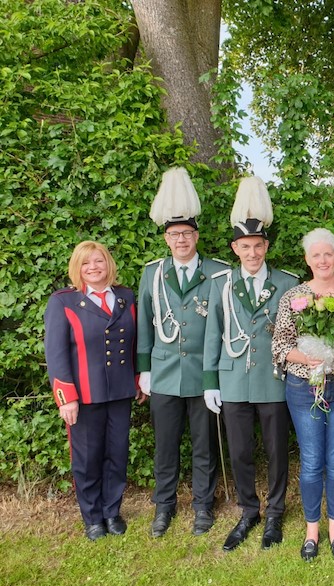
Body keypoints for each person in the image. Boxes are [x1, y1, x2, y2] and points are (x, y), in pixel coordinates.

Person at [202, 176, 298, 552]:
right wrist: (211, 381)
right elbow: (213, 333)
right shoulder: (221, 283)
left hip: (273, 379)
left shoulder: (288, 283)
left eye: (258, 246)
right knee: (240, 450)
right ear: (235, 247)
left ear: (266, 246)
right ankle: (248, 510)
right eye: (245, 247)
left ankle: (275, 512)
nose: (252, 253)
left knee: (276, 449)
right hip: (234, 380)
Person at [137, 167, 229, 538]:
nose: (181, 240)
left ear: (196, 236)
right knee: (165, 447)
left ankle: (204, 506)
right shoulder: (152, 273)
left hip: (202, 377)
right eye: (174, 235)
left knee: (205, 447)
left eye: (187, 234)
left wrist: (216, 377)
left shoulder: (219, 273)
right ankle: (164, 506)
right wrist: (144, 370)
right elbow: (145, 322)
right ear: (166, 238)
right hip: (163, 375)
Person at [272, 228, 334, 561]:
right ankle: (312, 531)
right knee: (312, 461)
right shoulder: (294, 297)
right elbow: (281, 345)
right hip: (303, 386)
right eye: (316, 255)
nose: (323, 260)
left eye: (328, 253)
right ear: (307, 260)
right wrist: (307, 357)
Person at [44, 241, 140, 541]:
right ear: (78, 268)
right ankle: (92, 517)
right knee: (87, 460)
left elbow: (135, 343)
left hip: (120, 392)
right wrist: (66, 398)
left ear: (108, 264)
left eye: (99, 261)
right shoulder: (63, 302)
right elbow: (56, 353)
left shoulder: (125, 297)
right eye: (86, 263)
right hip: (84, 396)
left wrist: (137, 380)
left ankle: (112, 512)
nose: (94, 268)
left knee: (117, 454)